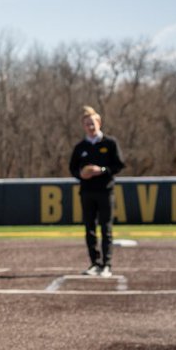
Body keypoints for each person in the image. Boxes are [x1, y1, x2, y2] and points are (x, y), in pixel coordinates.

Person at [68, 105, 126, 277]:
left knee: (106, 228)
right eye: (87, 124)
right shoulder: (81, 147)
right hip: (87, 192)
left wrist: (101, 170)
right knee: (89, 228)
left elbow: (119, 164)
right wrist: (81, 174)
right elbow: (72, 168)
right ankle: (94, 263)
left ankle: (107, 265)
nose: (90, 127)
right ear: (83, 126)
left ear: (99, 122)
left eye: (92, 123)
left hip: (105, 191)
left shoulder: (110, 143)